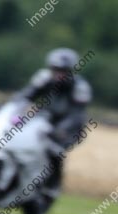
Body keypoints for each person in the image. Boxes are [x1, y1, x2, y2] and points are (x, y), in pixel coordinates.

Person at [18, 48, 92, 193]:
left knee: (54, 151)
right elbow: (26, 95)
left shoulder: (80, 87)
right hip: (42, 122)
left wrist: (62, 129)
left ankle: (52, 186)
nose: (58, 74)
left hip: (70, 128)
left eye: (63, 71)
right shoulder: (44, 78)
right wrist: (11, 107)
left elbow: (77, 114)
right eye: (55, 69)